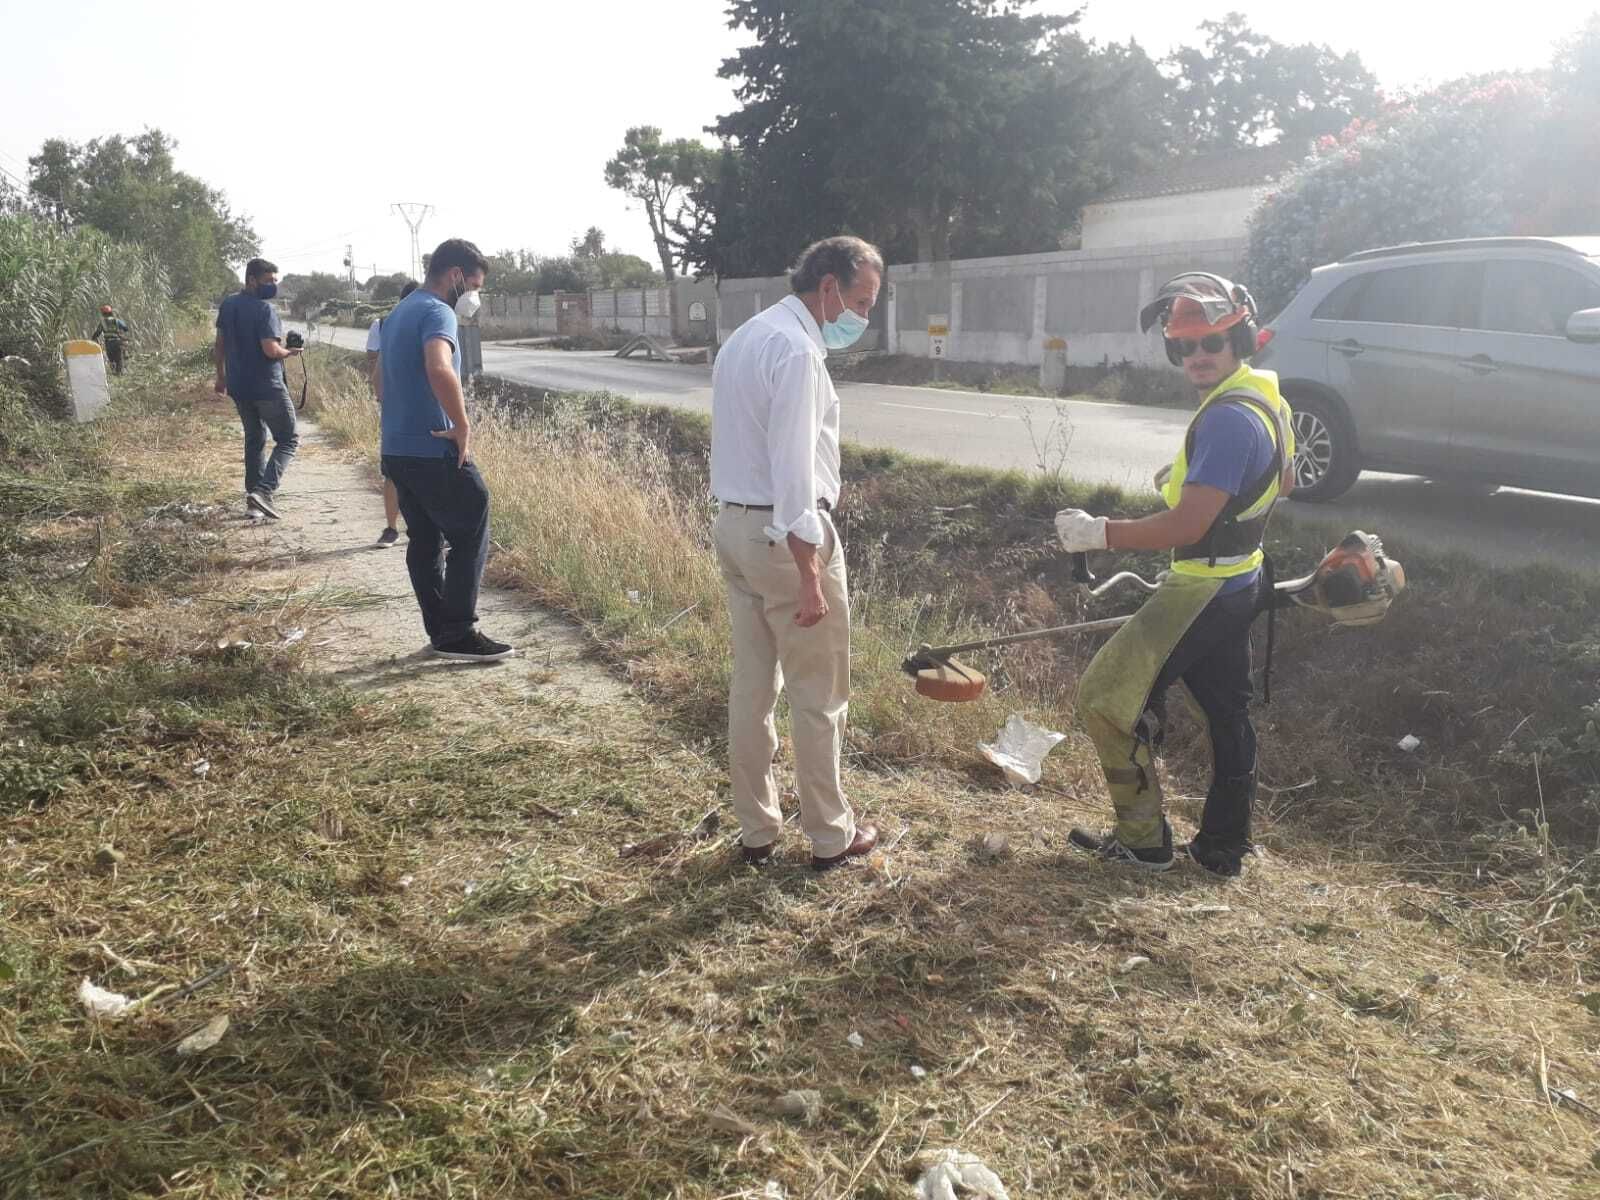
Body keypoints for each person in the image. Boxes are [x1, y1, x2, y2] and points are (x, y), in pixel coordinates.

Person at [1057, 272, 1294, 877]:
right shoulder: (1266, 397)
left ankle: (1141, 840)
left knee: (1107, 699)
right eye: (1183, 347)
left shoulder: (1225, 421)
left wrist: (1099, 532)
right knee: (1227, 714)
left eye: (1210, 343)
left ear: (1240, 339)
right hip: (1244, 577)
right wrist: (1202, 486)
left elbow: (1186, 527)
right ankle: (1223, 848)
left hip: (1202, 587)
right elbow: (1282, 484)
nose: (1196, 358)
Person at [708, 235, 885, 872]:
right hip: (787, 542)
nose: (863, 317)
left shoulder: (748, 336)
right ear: (829, 286)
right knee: (819, 695)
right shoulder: (799, 352)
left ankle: (757, 831)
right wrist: (810, 573)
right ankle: (831, 837)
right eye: (861, 301)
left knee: (752, 690)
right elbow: (793, 474)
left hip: (734, 526)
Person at [378, 238, 512, 662]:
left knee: (425, 540)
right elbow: (439, 367)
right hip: (431, 448)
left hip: (396, 447)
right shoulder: (437, 312)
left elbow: (380, 378)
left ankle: (441, 632)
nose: (474, 295)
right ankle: (458, 630)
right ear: (455, 275)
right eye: (473, 285)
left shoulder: (398, 312)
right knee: (473, 513)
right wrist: (461, 425)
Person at [214, 258, 300, 520]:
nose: (273, 286)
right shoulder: (265, 310)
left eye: (275, 281)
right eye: (268, 281)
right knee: (288, 439)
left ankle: (253, 504)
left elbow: (219, 344)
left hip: (239, 385)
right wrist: (290, 352)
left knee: (254, 439)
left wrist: (221, 376)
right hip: (267, 386)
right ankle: (264, 491)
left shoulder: (228, 304)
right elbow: (270, 350)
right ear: (251, 279)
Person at [366, 280, 418, 545]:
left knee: (402, 471)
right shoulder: (384, 324)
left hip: (405, 410)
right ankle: (392, 527)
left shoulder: (427, 322)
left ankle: (403, 528)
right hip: (400, 411)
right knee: (394, 471)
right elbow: (374, 361)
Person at [93, 305, 130, 374]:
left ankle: (114, 369)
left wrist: (93, 339)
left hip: (109, 343)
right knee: (119, 358)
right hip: (117, 342)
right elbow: (125, 328)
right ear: (111, 312)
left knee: (111, 358)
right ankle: (119, 372)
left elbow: (97, 333)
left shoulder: (103, 323)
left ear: (103, 314)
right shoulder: (117, 321)